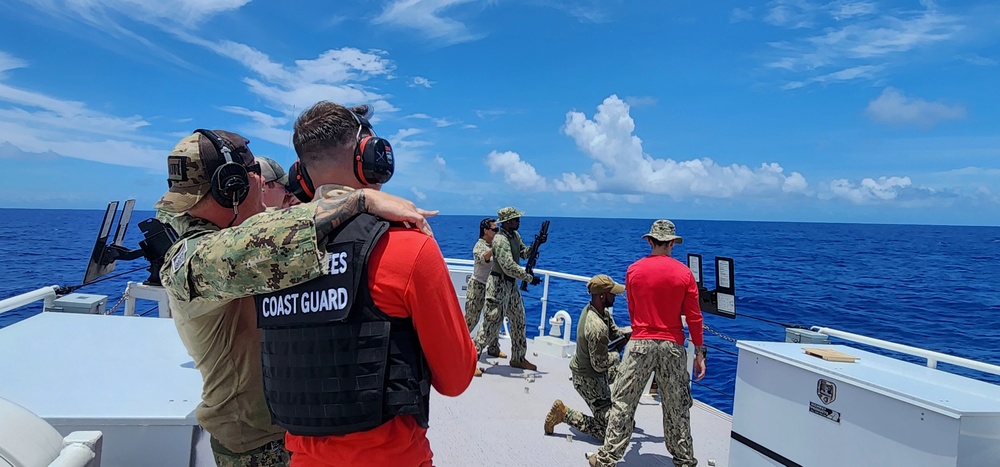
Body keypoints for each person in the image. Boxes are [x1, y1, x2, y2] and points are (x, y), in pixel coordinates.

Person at [154, 129, 435, 467]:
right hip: (255, 446)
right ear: (235, 186)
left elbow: (284, 222)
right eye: (256, 174)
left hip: (293, 430)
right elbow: (248, 250)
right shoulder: (190, 259)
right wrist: (358, 201)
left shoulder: (250, 227)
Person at [256, 101, 477, 467]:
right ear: (370, 157)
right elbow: (455, 380)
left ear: (302, 176)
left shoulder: (268, 255)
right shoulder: (410, 248)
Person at [588, 220, 707, 467]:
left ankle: (607, 458)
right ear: (672, 243)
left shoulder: (634, 270)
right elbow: (694, 316)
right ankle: (684, 460)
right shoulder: (685, 274)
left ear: (650, 241)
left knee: (622, 402)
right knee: (677, 406)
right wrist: (699, 352)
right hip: (672, 346)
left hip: (640, 342)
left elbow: (632, 308)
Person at [544, 274, 628, 441]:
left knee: (629, 374)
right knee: (610, 432)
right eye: (612, 293)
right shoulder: (596, 327)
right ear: (602, 296)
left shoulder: (598, 310)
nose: (615, 296)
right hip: (589, 380)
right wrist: (616, 354)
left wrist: (633, 332)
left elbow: (616, 333)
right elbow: (600, 364)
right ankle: (564, 414)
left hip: (593, 372)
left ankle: (614, 411)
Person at [472, 206, 542, 372]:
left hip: (511, 286)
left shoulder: (514, 236)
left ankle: (518, 358)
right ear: (508, 221)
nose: (519, 221)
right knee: (490, 324)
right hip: (499, 286)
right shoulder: (500, 240)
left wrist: (535, 246)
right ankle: (470, 358)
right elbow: (508, 266)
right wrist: (529, 278)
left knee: (519, 320)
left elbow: (524, 254)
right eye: (516, 219)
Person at [466, 217, 506, 377]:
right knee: (471, 319)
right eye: (495, 229)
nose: (497, 232)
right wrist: (495, 248)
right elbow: (483, 259)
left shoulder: (494, 244)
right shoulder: (480, 245)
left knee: (494, 318)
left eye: (498, 229)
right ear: (486, 231)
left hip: (493, 286)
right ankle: (459, 350)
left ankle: (493, 348)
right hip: (478, 286)